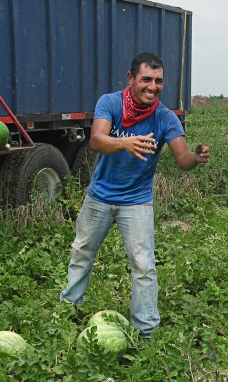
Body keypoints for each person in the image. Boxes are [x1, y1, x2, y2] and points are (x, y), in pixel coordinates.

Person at [60, 51, 210, 339]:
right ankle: (69, 311)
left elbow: (182, 159)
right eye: (146, 79)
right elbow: (96, 140)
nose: (152, 87)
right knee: (82, 252)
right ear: (131, 79)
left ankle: (146, 331)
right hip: (99, 197)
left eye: (158, 81)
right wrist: (124, 143)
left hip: (136, 201)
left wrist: (196, 157)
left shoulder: (166, 118)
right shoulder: (110, 103)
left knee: (143, 266)